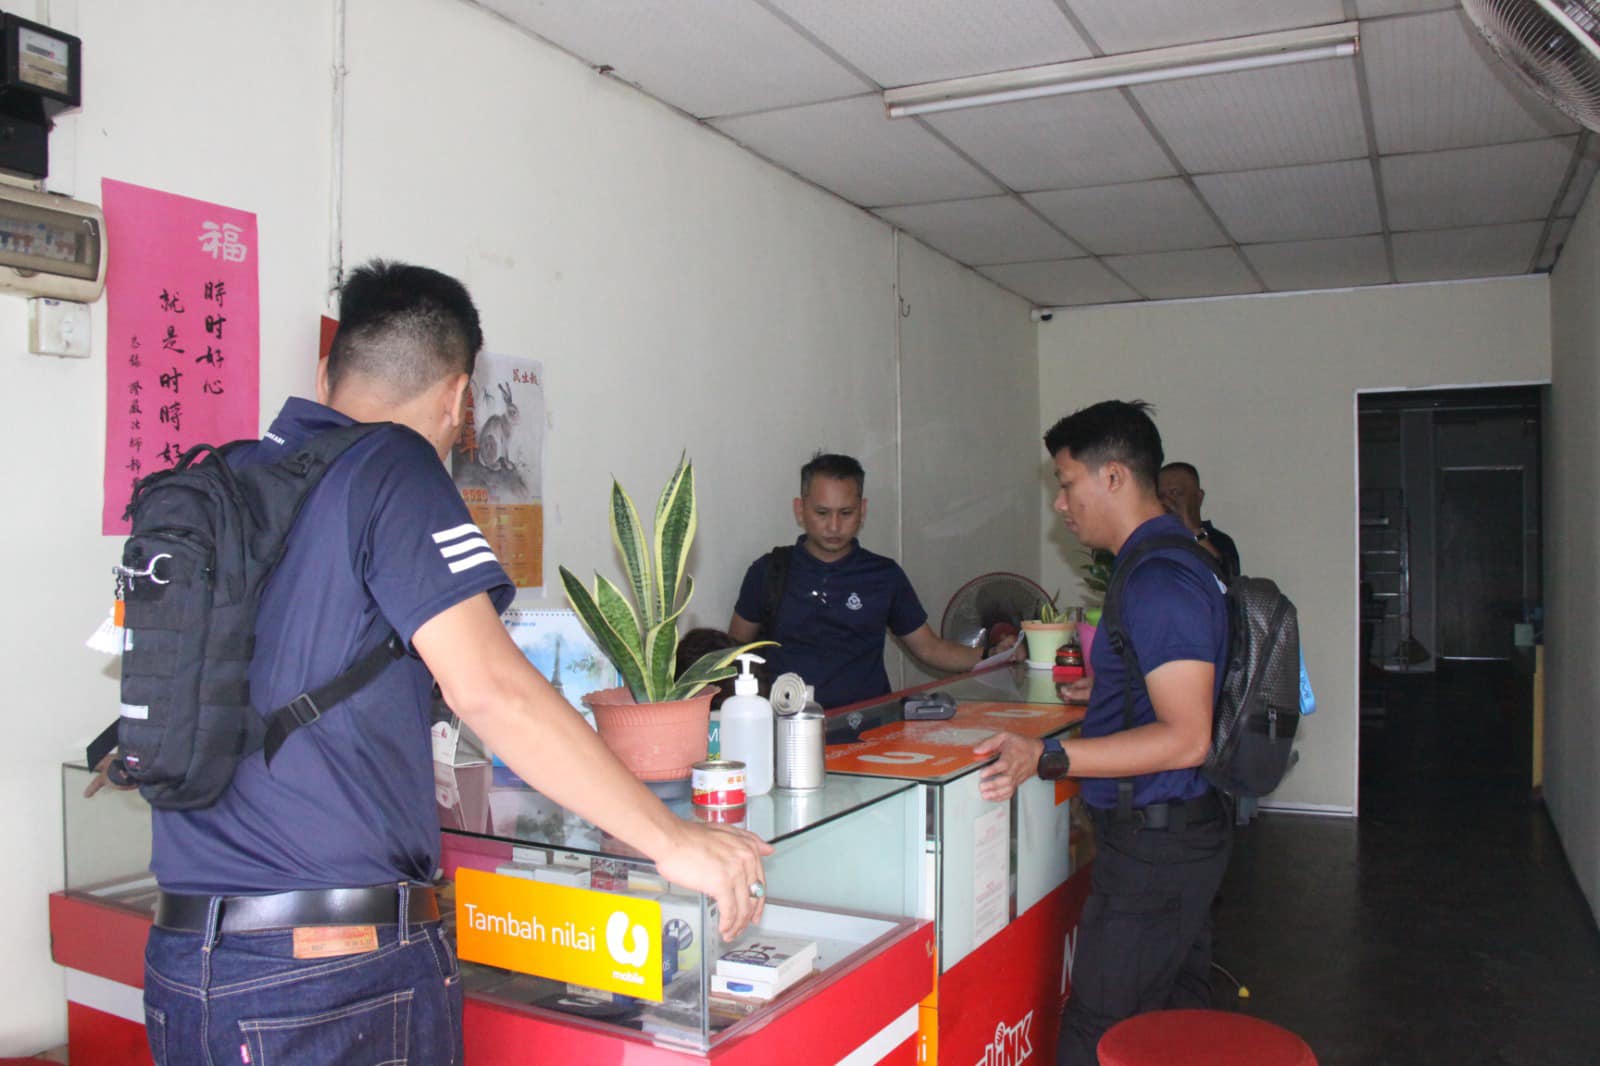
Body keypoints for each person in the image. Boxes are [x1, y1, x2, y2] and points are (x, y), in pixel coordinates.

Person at [140, 261, 771, 1066]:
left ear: (327, 374)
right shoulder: (393, 465)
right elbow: (492, 689)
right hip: (329, 975)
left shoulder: (224, 481)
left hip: (190, 960)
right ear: (459, 398)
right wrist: (670, 838)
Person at [974, 401, 1231, 1065]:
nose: (1061, 504)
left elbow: (1186, 737)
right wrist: (1116, 691)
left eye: (1067, 483)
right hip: (1171, 837)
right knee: (1170, 1025)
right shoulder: (1160, 562)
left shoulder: (1159, 578)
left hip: (1157, 850)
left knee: (1101, 1035)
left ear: (1113, 477)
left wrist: (1049, 755)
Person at [727, 452, 1013, 709]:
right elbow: (731, 654)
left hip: (869, 728)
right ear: (800, 509)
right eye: (822, 513)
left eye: (846, 513)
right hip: (787, 728)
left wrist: (992, 654)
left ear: (862, 511)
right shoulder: (768, 572)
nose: (834, 526)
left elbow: (930, 648)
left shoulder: (884, 575)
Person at [1158, 460, 1241, 579]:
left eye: (1176, 493)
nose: (1166, 501)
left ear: (1199, 498)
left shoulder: (1220, 541)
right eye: (1160, 496)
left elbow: (1227, 579)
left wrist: (1193, 531)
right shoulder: (1152, 539)